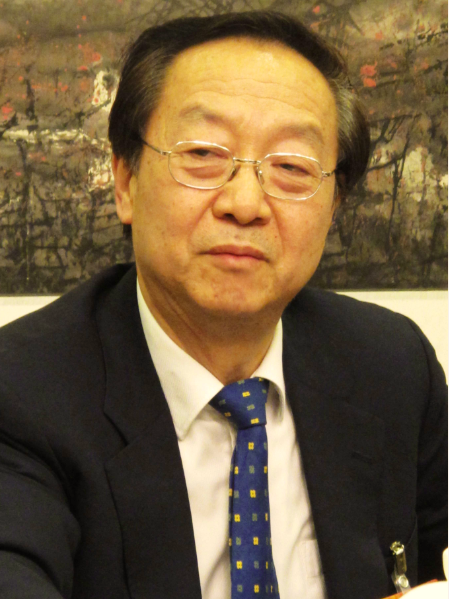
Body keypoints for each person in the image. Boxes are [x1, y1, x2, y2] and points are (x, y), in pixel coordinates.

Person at [0, 11, 446, 599]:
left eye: (291, 167)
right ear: (125, 181)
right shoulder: (21, 392)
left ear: (334, 208)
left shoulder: (391, 365)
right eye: (204, 154)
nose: (245, 203)